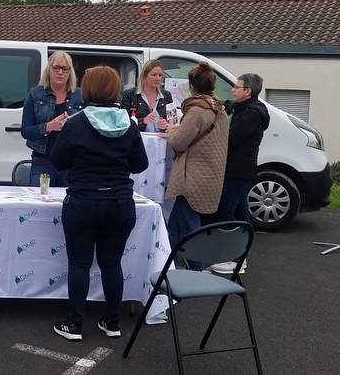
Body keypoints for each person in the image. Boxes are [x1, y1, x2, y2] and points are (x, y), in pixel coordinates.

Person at [48, 66, 148, 341]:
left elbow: (57, 162)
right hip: (119, 201)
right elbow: (141, 164)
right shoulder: (128, 123)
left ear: (88, 89)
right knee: (112, 263)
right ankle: (112, 321)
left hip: (84, 201)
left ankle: (74, 324)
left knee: (79, 263)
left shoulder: (77, 123)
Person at [164, 61, 229, 269]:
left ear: (191, 86)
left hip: (190, 178)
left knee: (190, 226)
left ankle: (196, 269)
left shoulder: (196, 112)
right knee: (175, 223)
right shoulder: (220, 110)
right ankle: (166, 263)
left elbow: (178, 142)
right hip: (210, 175)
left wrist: (173, 129)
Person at [206, 73, 270, 274]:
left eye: (236, 87)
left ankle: (231, 258)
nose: (233, 90)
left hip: (238, 170)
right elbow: (230, 105)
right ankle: (240, 256)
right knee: (242, 212)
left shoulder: (252, 114)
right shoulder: (246, 108)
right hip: (240, 169)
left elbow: (230, 138)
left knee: (225, 212)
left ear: (248, 91)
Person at [20, 51, 83, 187]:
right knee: (39, 203)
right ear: (49, 69)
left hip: (71, 162)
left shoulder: (80, 95)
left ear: (70, 72)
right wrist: (48, 127)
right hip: (43, 160)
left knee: (68, 204)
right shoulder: (35, 94)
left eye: (65, 69)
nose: (60, 72)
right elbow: (25, 131)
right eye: (56, 68)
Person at [120, 60, 173, 132]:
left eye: (160, 75)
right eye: (154, 75)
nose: (157, 78)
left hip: (161, 141)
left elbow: (173, 123)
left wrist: (166, 125)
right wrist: (142, 121)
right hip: (138, 140)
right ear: (144, 76)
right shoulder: (129, 95)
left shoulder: (167, 95)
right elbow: (123, 122)